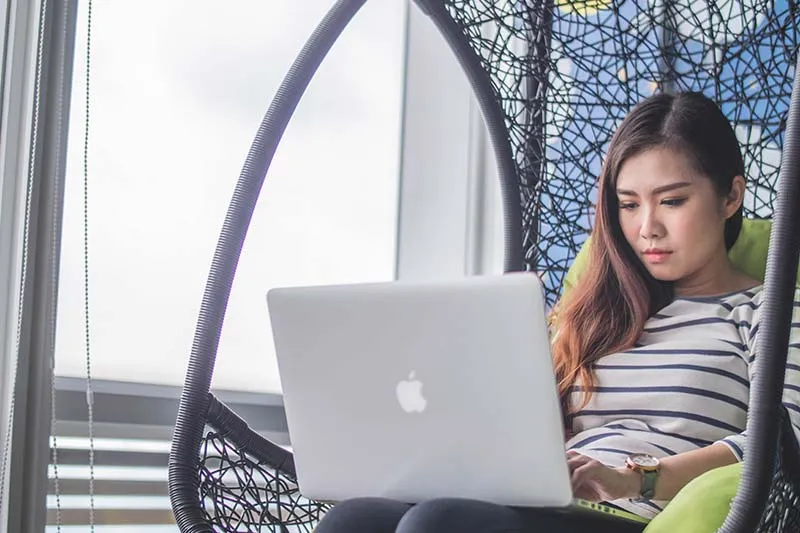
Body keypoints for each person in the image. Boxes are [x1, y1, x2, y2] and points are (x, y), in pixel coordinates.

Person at [313, 91, 800, 533]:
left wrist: (635, 480)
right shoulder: (600, 312)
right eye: (628, 205)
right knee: (354, 518)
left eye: (671, 201)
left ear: (730, 197)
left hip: (633, 514)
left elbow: (780, 449)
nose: (647, 227)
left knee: (438, 523)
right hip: (545, 504)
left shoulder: (767, 313)